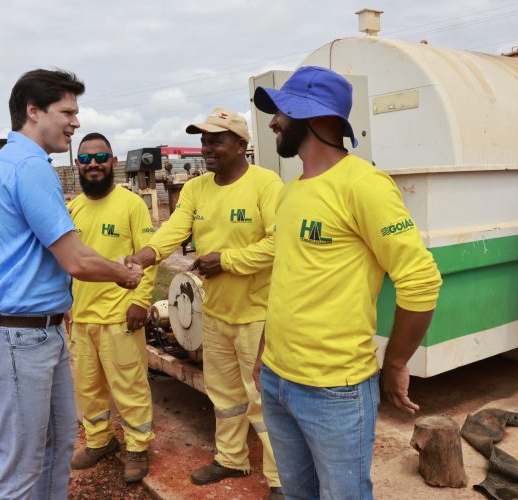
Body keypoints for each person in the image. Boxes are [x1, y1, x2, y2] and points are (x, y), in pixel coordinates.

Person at [251, 66, 443, 499]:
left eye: (281, 110)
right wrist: (266, 350)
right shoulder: (291, 190)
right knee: (298, 493)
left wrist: (394, 364)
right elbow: (288, 277)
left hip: (334, 391)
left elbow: (420, 281)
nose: (273, 120)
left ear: (314, 117)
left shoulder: (365, 185)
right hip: (278, 380)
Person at [0, 69, 143, 500]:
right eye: (67, 111)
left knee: (55, 446)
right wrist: (124, 273)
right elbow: (75, 258)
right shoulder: (29, 166)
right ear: (33, 111)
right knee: (23, 467)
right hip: (18, 337)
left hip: (35, 332)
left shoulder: (6, 161)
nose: (75, 122)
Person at [127, 108, 284, 498]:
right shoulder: (197, 189)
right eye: (204, 139)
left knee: (264, 402)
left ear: (241, 145)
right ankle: (232, 458)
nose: (207, 147)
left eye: (216, 139)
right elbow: (175, 229)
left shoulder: (267, 184)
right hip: (215, 312)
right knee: (225, 396)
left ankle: (282, 479)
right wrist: (144, 256)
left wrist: (226, 260)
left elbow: (279, 244)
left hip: (258, 315)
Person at [67, 132, 157, 483]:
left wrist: (139, 301)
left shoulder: (131, 205)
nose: (93, 165)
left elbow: (150, 257)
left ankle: (136, 447)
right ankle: (99, 441)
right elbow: (68, 261)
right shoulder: (73, 207)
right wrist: (66, 307)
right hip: (82, 316)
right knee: (87, 388)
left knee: (130, 386)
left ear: (113, 162)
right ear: (77, 164)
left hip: (120, 317)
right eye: (86, 159)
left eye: (100, 157)